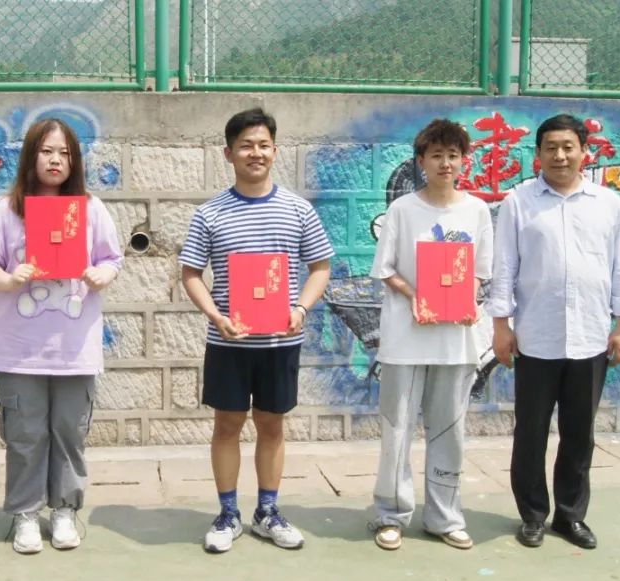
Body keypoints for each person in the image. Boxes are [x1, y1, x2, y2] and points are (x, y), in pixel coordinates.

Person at [180, 107, 333, 553]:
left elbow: (321, 267)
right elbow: (191, 273)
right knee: (227, 424)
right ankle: (228, 514)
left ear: (275, 151)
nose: (256, 153)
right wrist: (217, 316)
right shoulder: (210, 214)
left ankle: (268, 511)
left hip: (281, 341)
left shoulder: (298, 210)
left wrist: (300, 308)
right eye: (246, 145)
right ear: (228, 153)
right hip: (229, 341)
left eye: (264, 145)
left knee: (271, 424)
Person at [487, 113, 620, 550]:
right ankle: (533, 515)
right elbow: (504, 268)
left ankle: (570, 517)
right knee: (530, 433)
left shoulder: (606, 203)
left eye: (568, 147)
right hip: (536, 338)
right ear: (538, 154)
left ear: (584, 152)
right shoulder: (519, 202)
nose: (560, 155)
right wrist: (501, 327)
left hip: (591, 338)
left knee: (579, 434)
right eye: (551, 148)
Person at [0, 118, 122, 555]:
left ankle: (64, 510)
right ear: (30, 156)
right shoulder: (5, 211)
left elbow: (113, 258)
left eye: (64, 153)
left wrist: (102, 274)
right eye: (47, 151)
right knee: (25, 434)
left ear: (74, 161)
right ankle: (25, 513)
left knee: (70, 432)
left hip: (75, 348)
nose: (56, 160)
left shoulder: (91, 209)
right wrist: (9, 278)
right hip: (20, 350)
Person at [367, 119, 493, 551]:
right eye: (436, 155)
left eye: (452, 155)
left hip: (455, 341)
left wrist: (464, 300)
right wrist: (417, 297)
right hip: (405, 339)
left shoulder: (477, 211)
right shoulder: (403, 210)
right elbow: (385, 269)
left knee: (449, 431)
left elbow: (480, 272)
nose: (445, 163)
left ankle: (445, 516)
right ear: (421, 161)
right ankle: (390, 514)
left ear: (464, 161)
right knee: (396, 429)